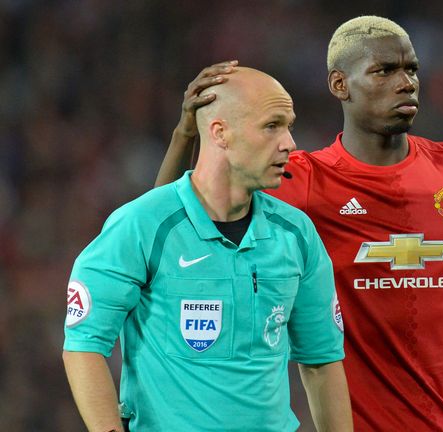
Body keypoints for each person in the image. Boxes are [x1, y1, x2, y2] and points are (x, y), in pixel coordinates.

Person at [159, 16, 443, 431]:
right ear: (340, 85)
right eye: (384, 71)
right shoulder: (300, 180)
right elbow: (169, 229)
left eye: (411, 69)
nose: (406, 82)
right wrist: (185, 134)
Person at [63, 67, 352, 432]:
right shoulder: (141, 226)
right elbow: (84, 346)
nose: (290, 143)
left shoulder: (296, 233)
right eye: (272, 126)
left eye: (289, 126)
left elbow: (321, 361)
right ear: (220, 132)